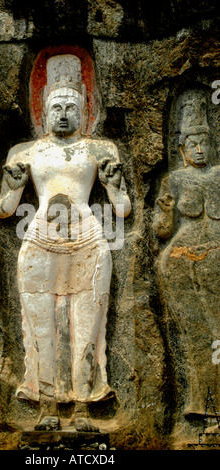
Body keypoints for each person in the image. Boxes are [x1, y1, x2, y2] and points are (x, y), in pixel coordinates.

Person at [0, 54, 131, 431]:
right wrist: (11, 184)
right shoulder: (24, 152)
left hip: (88, 241)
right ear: (42, 109)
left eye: (72, 106)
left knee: (87, 323)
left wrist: (114, 184)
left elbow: (122, 210)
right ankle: (47, 406)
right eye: (56, 106)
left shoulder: (100, 150)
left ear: (86, 108)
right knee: (41, 325)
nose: (63, 114)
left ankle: (87, 403)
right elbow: (6, 210)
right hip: (39, 240)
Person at [154, 90, 219, 417]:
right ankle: (201, 402)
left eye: (203, 143)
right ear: (181, 149)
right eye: (192, 144)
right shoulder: (174, 179)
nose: (198, 149)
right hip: (181, 261)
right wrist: (164, 211)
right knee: (196, 333)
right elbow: (162, 230)